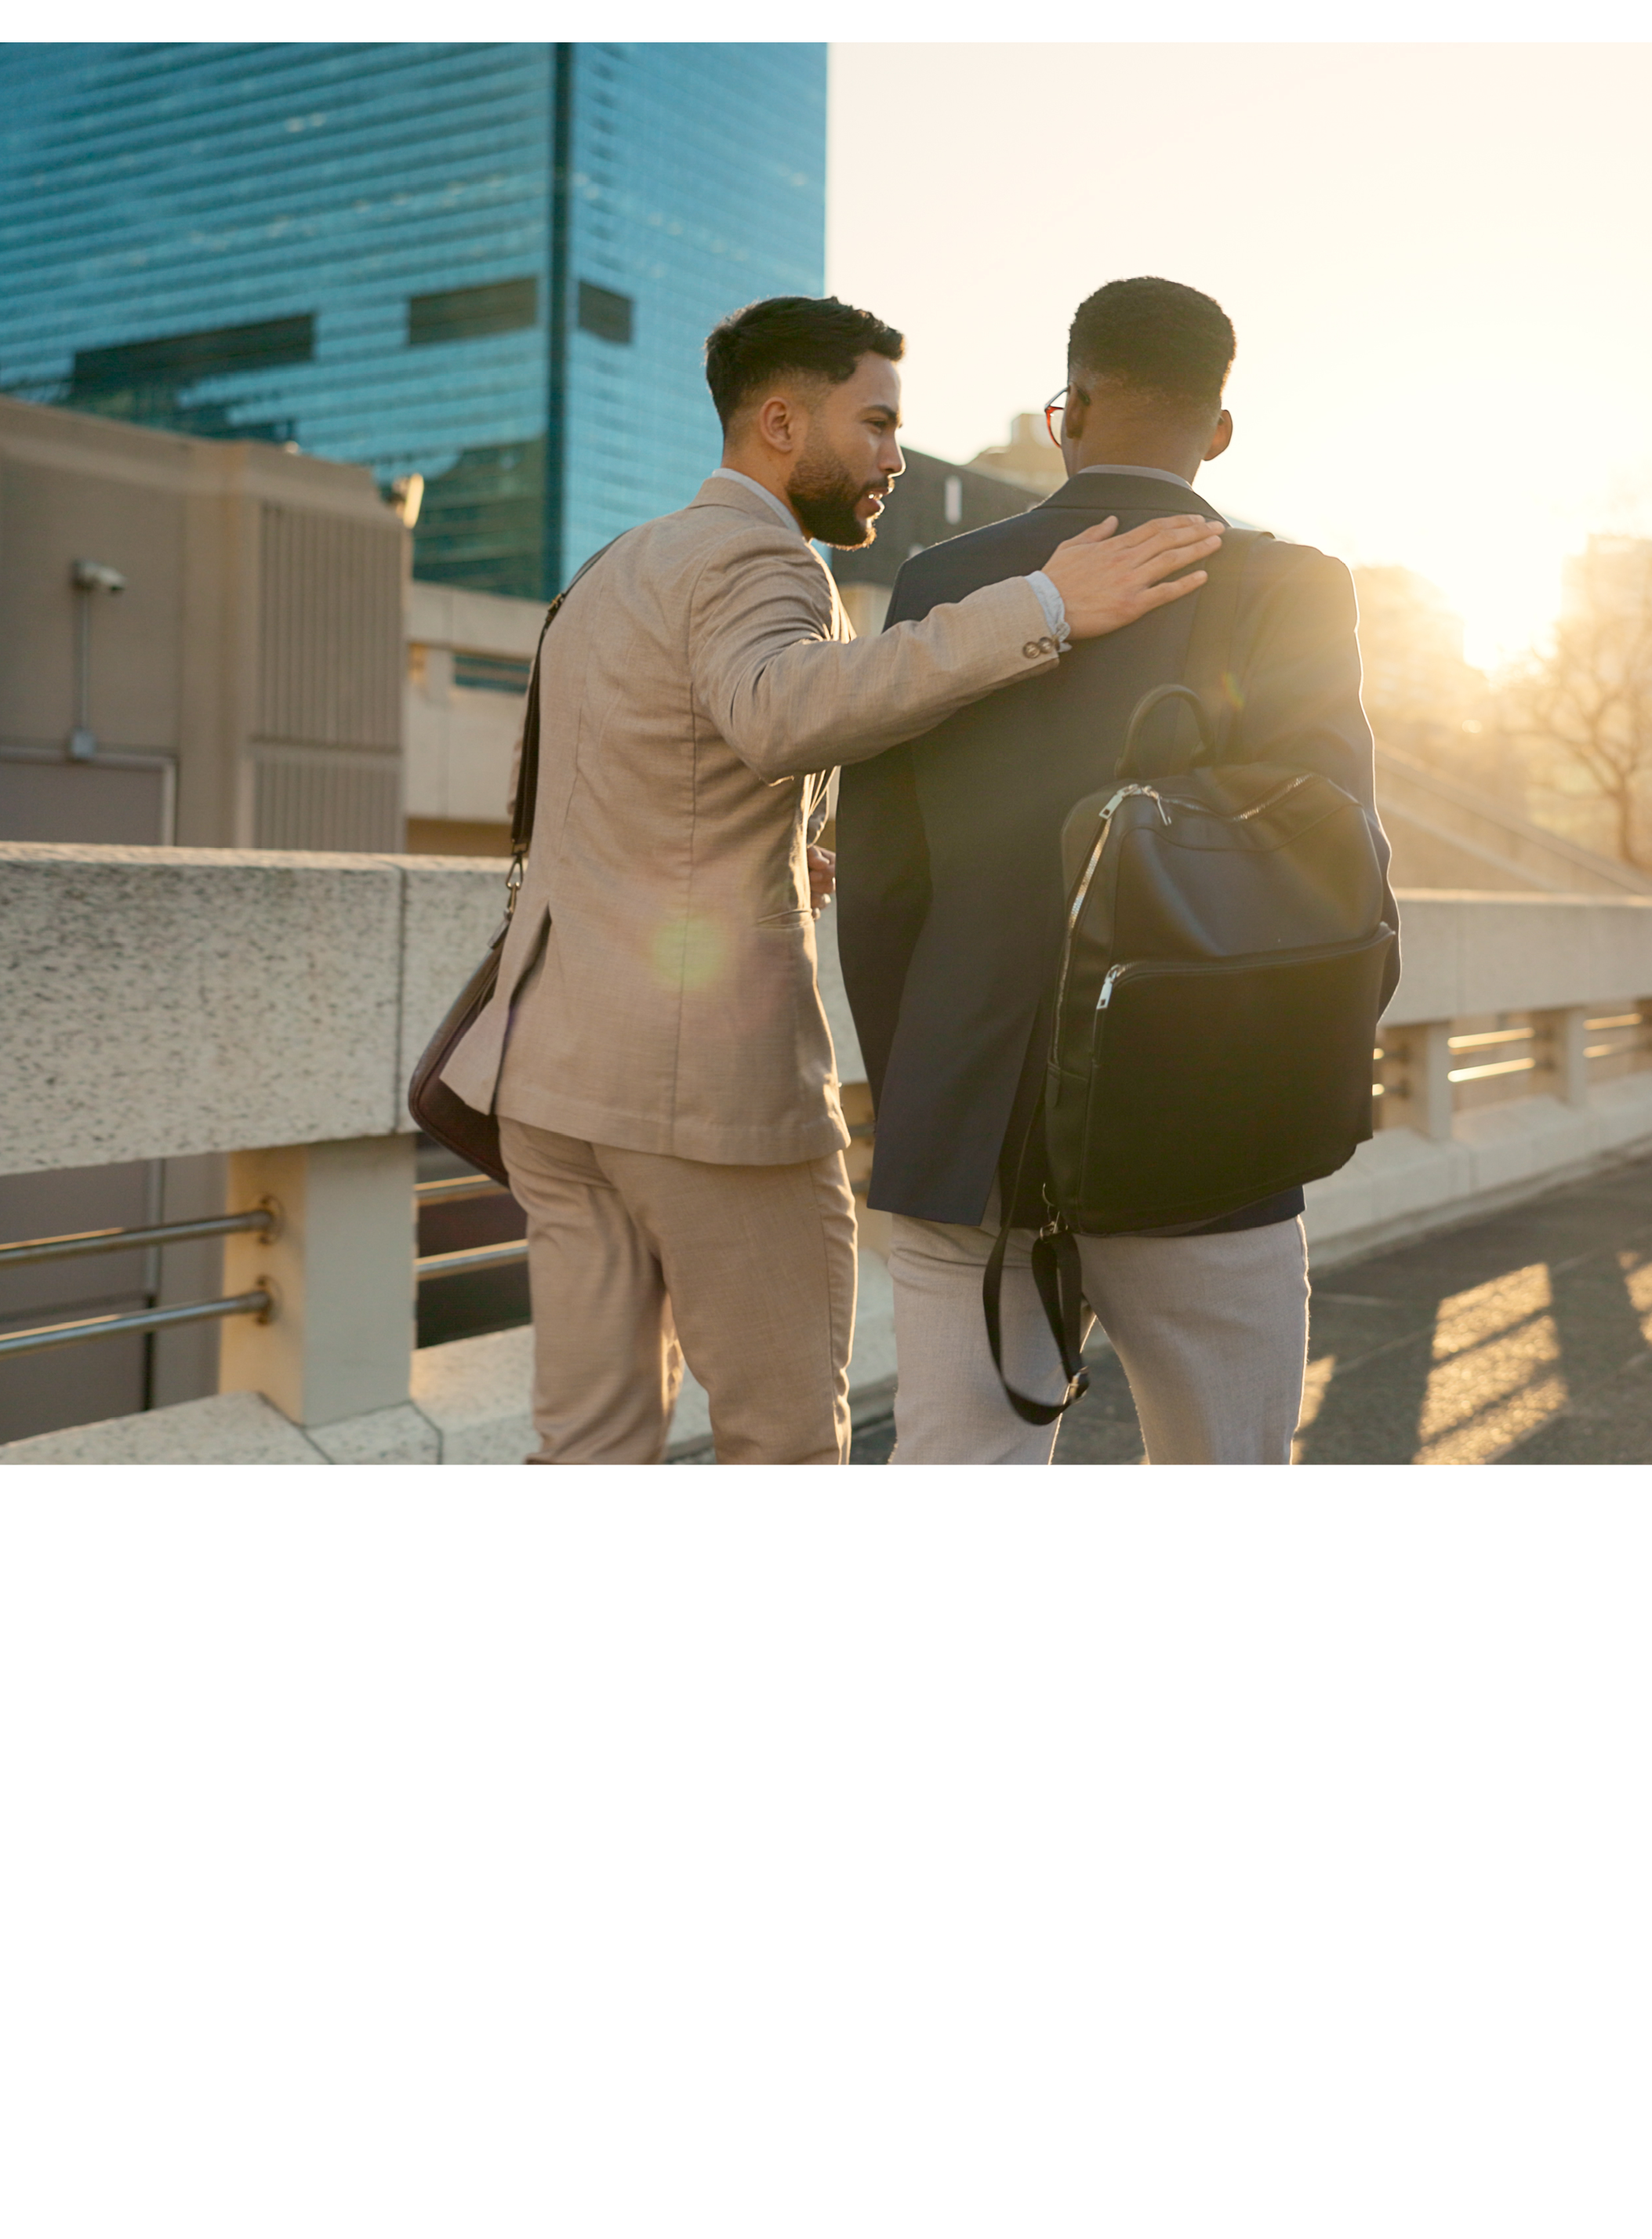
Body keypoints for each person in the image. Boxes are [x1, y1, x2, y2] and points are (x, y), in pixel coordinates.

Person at [440, 295, 1225, 1464]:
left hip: (550, 1082)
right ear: (777, 422)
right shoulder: (761, 555)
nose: (893, 462)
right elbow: (773, 712)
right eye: (874, 425)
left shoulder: (619, 563)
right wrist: (1047, 605)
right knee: (789, 1444)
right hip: (700, 1099)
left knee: (587, 1449)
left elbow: (627, 769)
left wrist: (781, 840)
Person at [838, 277, 1398, 1466]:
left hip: (972, 1124)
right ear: (1220, 431)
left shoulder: (944, 583)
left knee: (956, 1470)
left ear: (1071, 409)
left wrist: (920, 1086)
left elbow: (884, 884)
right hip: (1205, 1118)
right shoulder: (1290, 586)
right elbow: (1332, 854)